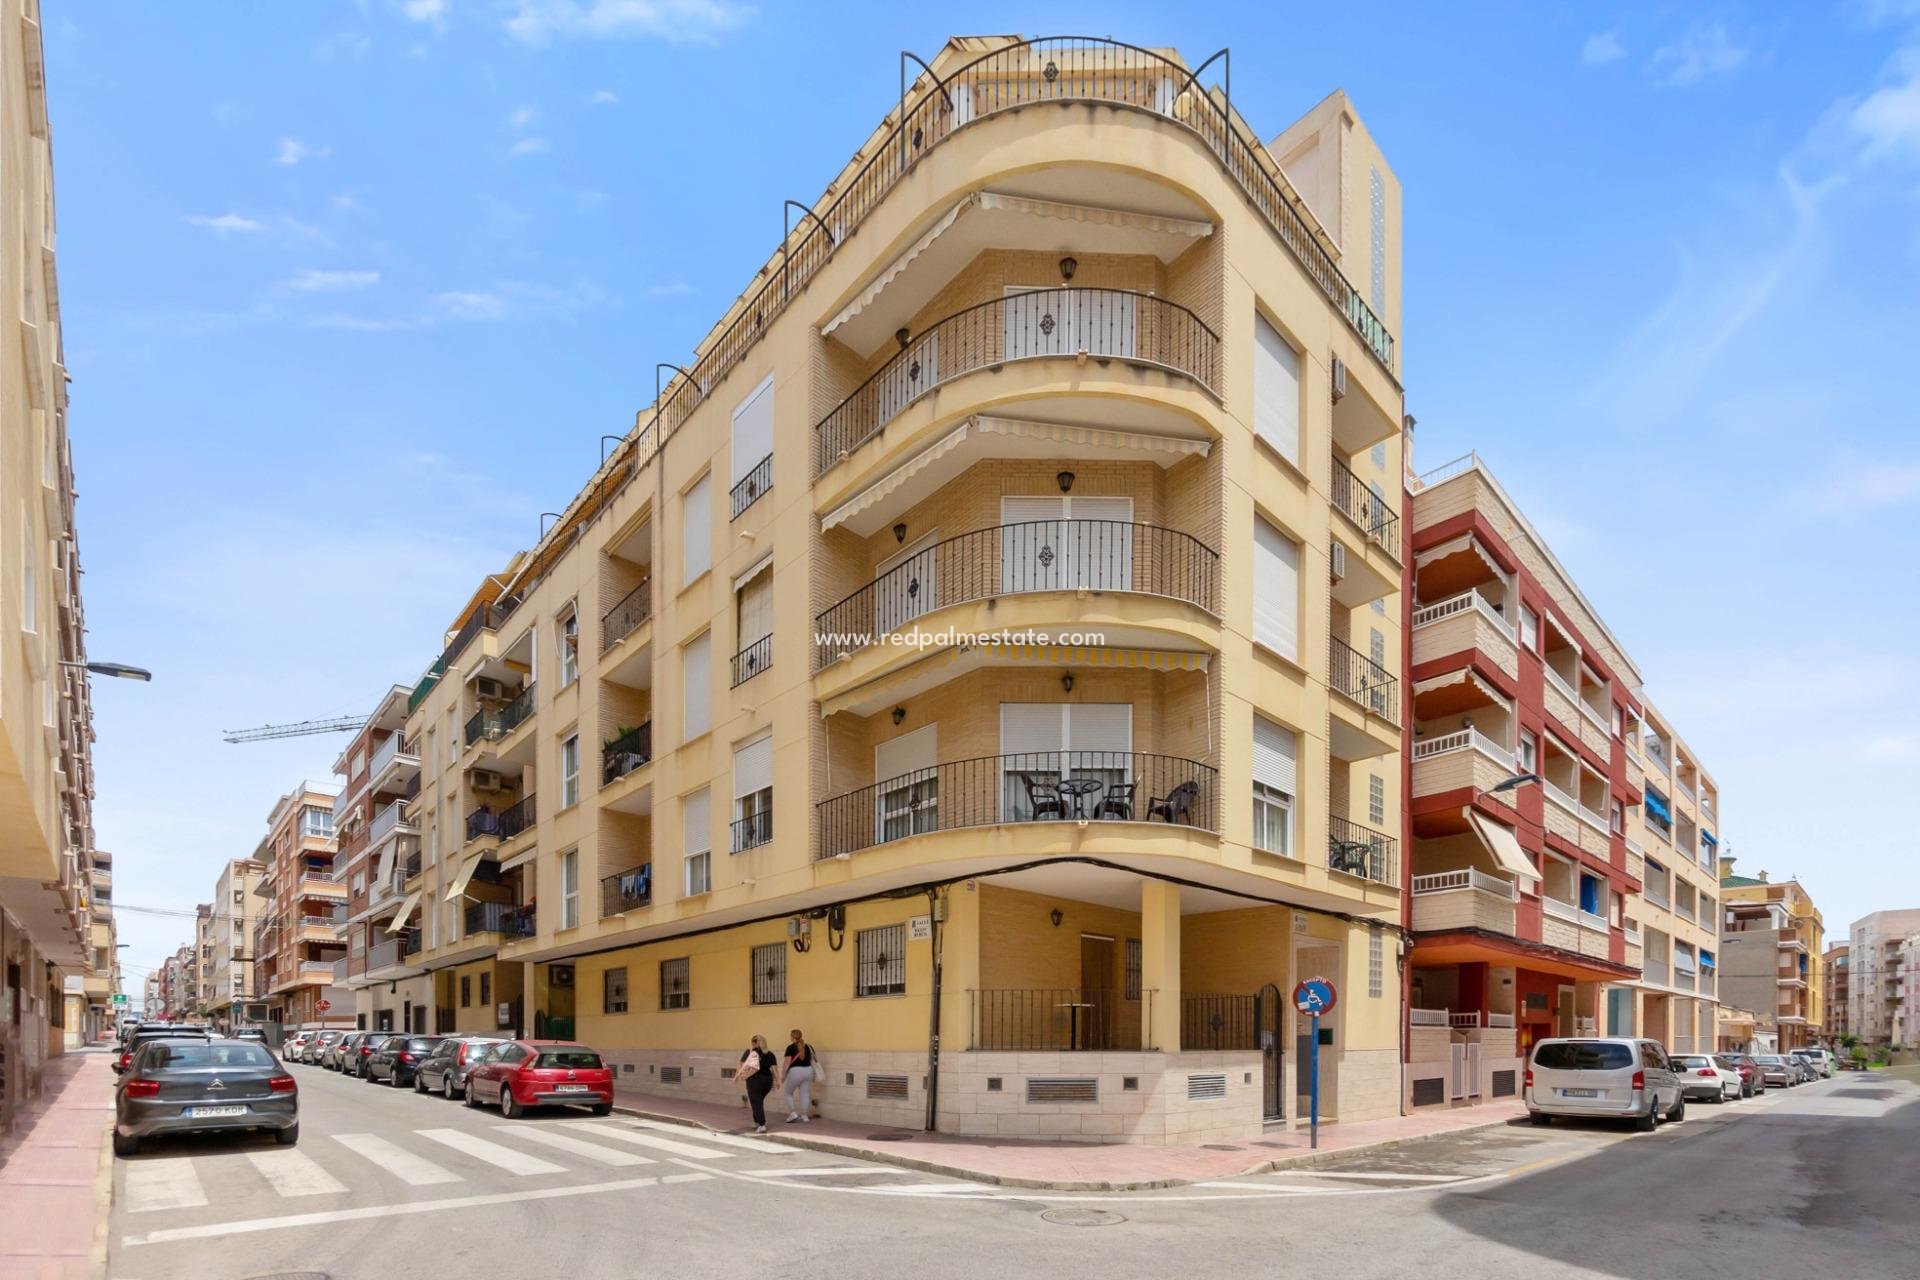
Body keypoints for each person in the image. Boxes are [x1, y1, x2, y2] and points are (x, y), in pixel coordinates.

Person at [738, 1034, 777, 1133]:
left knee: (756, 1102)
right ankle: (757, 1122)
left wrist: (742, 1075)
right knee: (758, 1102)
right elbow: (774, 1069)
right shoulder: (770, 1054)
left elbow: (743, 1065)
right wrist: (778, 1081)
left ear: (754, 1043)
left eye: (752, 1042)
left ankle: (762, 1124)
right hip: (767, 1081)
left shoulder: (751, 1052)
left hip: (754, 1081)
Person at [780, 1029, 819, 1123]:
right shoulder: (809, 1047)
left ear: (792, 1037)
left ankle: (793, 1114)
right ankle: (805, 1116)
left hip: (796, 1071)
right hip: (808, 1071)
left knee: (788, 1093)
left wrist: (783, 1075)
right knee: (804, 1093)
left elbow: (787, 1063)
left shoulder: (790, 1047)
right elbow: (815, 1059)